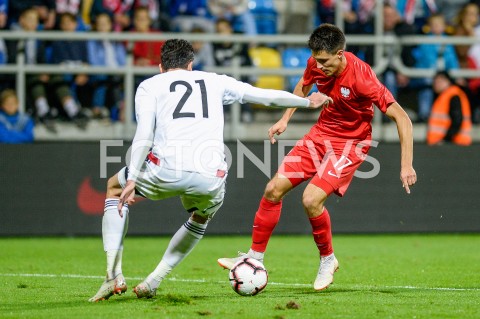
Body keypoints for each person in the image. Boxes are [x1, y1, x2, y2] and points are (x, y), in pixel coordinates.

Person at [88, 38, 331, 302]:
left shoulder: (149, 85)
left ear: (161, 67)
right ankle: (153, 281)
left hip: (165, 169)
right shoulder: (215, 80)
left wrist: (132, 178)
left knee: (114, 187)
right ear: (191, 65)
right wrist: (308, 102)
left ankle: (113, 275)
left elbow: (144, 134)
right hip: (210, 174)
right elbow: (263, 95)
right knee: (200, 217)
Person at [217, 24, 417, 291]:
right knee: (273, 189)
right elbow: (303, 85)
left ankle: (328, 259)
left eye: (325, 61)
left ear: (340, 54)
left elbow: (402, 117)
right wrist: (285, 118)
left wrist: (406, 165)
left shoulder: (362, 77)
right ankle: (254, 258)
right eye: (316, 60)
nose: (319, 66)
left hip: (351, 143)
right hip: (320, 135)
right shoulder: (316, 62)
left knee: (311, 199)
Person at [427, 71, 472, 146]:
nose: (436, 84)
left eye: (439, 81)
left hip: (455, 144)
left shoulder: (453, 95)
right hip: (447, 143)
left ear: (447, 81)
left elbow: (457, 120)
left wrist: (446, 139)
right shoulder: (445, 95)